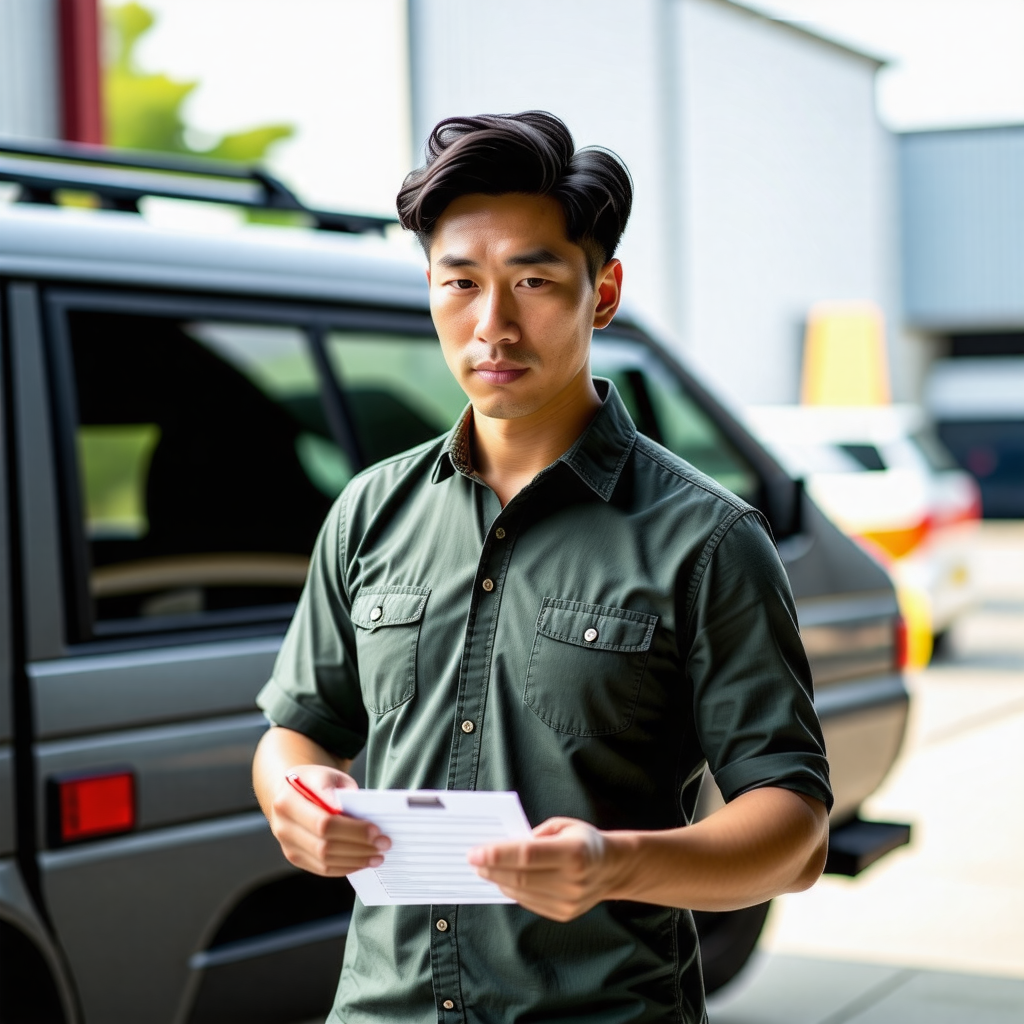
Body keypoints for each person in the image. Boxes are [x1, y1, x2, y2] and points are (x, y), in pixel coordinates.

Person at [252, 110, 832, 1024]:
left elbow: (793, 834)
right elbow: (298, 731)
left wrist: (616, 863)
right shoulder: (370, 510)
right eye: (460, 283)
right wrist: (298, 796)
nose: (493, 324)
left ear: (602, 294)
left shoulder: (709, 540)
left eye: (532, 279)